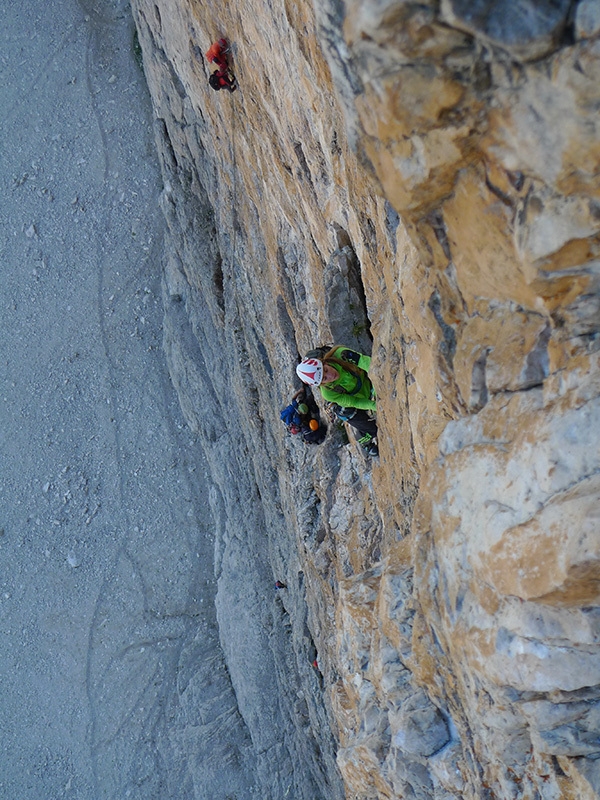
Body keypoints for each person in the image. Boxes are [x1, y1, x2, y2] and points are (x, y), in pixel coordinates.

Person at [296, 346, 378, 456]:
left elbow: (365, 362)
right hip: (352, 404)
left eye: (326, 370)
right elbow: (354, 402)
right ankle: (364, 441)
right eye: (325, 378)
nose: (330, 375)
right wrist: (374, 405)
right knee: (373, 429)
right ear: (321, 384)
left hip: (366, 382)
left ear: (324, 362)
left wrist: (376, 386)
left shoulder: (341, 354)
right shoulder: (328, 393)